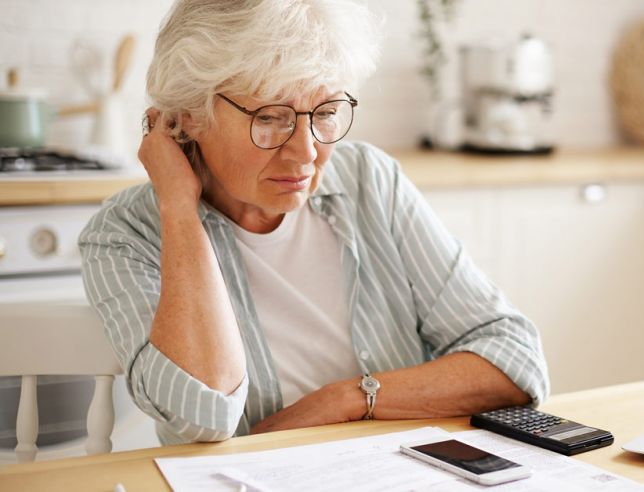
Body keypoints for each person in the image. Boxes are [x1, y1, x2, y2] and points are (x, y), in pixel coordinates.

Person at [78, 0, 549, 445]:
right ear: (189, 116)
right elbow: (203, 416)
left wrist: (345, 399)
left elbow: (514, 361)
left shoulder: (369, 181)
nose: (306, 152)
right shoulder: (125, 234)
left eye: (324, 113)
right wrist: (179, 208)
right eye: (271, 118)